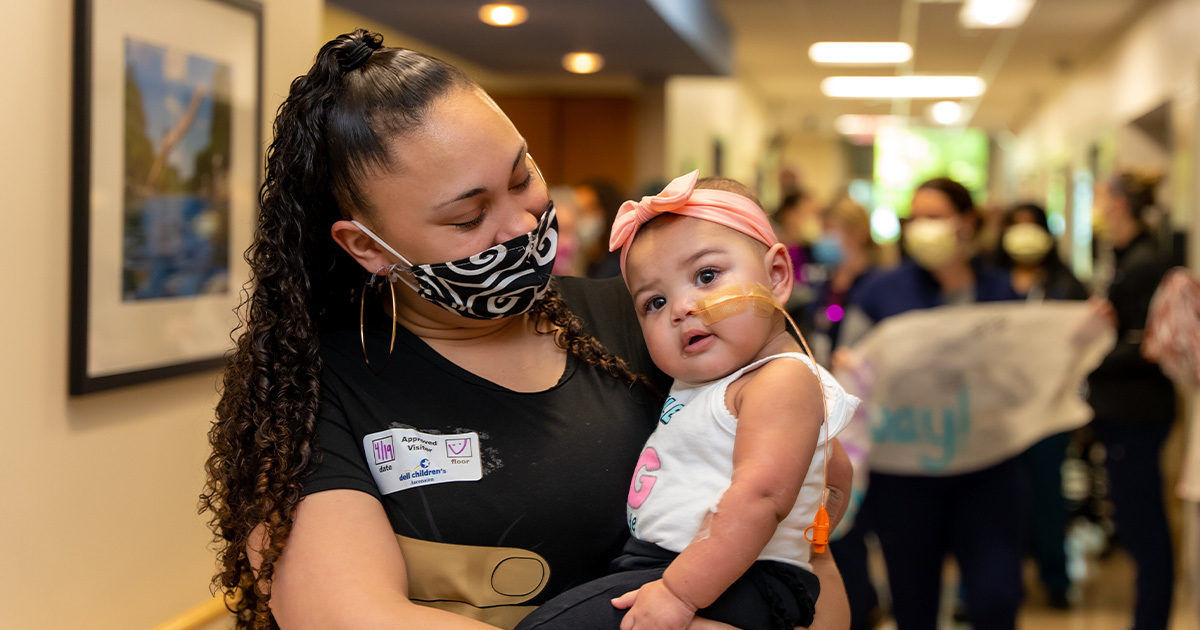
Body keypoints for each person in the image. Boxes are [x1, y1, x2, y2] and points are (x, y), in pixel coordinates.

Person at [198, 30, 852, 629]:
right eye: (467, 217)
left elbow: (805, 534)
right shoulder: (309, 389)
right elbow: (351, 616)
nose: (519, 225)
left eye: (522, 177)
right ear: (365, 246)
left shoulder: (656, 322)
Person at [517, 172, 858, 630]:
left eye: (707, 276)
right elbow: (835, 472)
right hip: (683, 569)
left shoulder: (778, 380)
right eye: (654, 303)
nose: (681, 308)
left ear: (776, 276)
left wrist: (680, 593)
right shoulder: (712, 381)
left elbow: (759, 498)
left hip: (733, 576)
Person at [837, 177, 1024, 630]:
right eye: (915, 217)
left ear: (967, 223)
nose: (922, 227)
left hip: (987, 469)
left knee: (995, 596)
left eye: (935, 217)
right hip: (906, 474)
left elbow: (1022, 369)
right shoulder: (879, 293)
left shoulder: (1002, 293)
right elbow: (849, 376)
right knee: (913, 601)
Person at [1088, 172, 1176, 630]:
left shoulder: (1146, 262)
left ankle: (1152, 619)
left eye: (1102, 196)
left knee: (1145, 523)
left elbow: (1147, 344)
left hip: (1138, 411)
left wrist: (1090, 355)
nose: (1098, 206)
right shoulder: (1124, 258)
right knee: (1137, 518)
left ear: (1119, 202)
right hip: (1123, 410)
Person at [994, 202, 1087, 609]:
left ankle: (1056, 579)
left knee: (1049, 496)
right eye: (1016, 226)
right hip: (997, 413)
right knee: (996, 501)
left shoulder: (1067, 285)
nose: (1024, 234)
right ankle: (997, 582)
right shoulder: (990, 282)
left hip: (1050, 411)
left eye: (1032, 226)